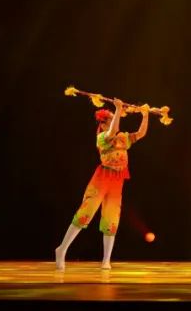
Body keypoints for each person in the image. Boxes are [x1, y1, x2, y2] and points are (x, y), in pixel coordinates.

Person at [55, 98, 149, 270]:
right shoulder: (102, 138)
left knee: (111, 220)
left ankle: (106, 260)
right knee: (86, 213)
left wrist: (145, 115)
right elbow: (112, 130)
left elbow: (141, 133)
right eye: (111, 119)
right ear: (104, 124)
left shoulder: (122, 138)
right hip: (101, 179)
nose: (115, 122)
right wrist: (118, 109)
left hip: (117, 181)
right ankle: (62, 249)